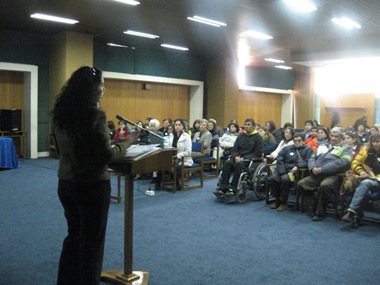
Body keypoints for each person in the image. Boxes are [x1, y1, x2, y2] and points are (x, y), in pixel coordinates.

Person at [51, 66, 137, 285]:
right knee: (91, 245)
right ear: (92, 89)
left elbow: (59, 150)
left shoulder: (60, 112)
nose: (103, 88)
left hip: (66, 183)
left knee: (74, 238)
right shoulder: (94, 114)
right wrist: (127, 141)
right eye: (101, 84)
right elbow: (107, 155)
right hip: (91, 187)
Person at [297, 126, 353, 221]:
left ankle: (320, 213)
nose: (334, 138)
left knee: (324, 185)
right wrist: (312, 167)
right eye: (332, 136)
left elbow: (343, 162)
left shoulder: (347, 148)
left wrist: (323, 169)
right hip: (317, 173)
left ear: (341, 137)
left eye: (337, 136)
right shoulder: (324, 146)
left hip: (334, 175)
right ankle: (314, 206)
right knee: (301, 184)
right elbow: (312, 158)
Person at [214, 118, 263, 196]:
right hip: (238, 157)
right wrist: (236, 156)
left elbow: (258, 153)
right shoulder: (241, 136)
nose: (246, 126)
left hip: (250, 160)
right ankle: (223, 187)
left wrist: (244, 158)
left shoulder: (258, 138)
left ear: (253, 126)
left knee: (239, 164)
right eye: (245, 124)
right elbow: (235, 149)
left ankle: (233, 189)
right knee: (228, 162)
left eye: (249, 125)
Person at [342, 133, 380, 228]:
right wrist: (361, 171)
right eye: (374, 141)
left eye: (378, 142)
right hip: (365, 178)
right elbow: (355, 163)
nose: (376, 144)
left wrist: (375, 177)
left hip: (377, 181)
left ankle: (351, 210)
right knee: (365, 191)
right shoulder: (366, 150)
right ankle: (357, 218)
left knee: (365, 183)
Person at [269, 133, 313, 211]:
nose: (296, 142)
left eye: (299, 141)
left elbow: (308, 161)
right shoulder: (287, 148)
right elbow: (280, 159)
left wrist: (298, 166)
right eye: (295, 141)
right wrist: (282, 172)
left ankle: (283, 202)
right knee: (273, 179)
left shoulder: (308, 150)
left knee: (285, 179)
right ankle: (277, 200)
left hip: (297, 172)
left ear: (303, 141)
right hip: (283, 170)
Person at [155, 118, 193, 190]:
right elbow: (169, 147)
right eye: (176, 125)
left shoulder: (186, 136)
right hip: (172, 157)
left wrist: (178, 155)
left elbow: (188, 151)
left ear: (183, 126)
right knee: (162, 163)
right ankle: (158, 184)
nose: (177, 126)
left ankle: (176, 184)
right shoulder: (172, 135)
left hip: (183, 158)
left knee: (169, 166)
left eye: (179, 125)